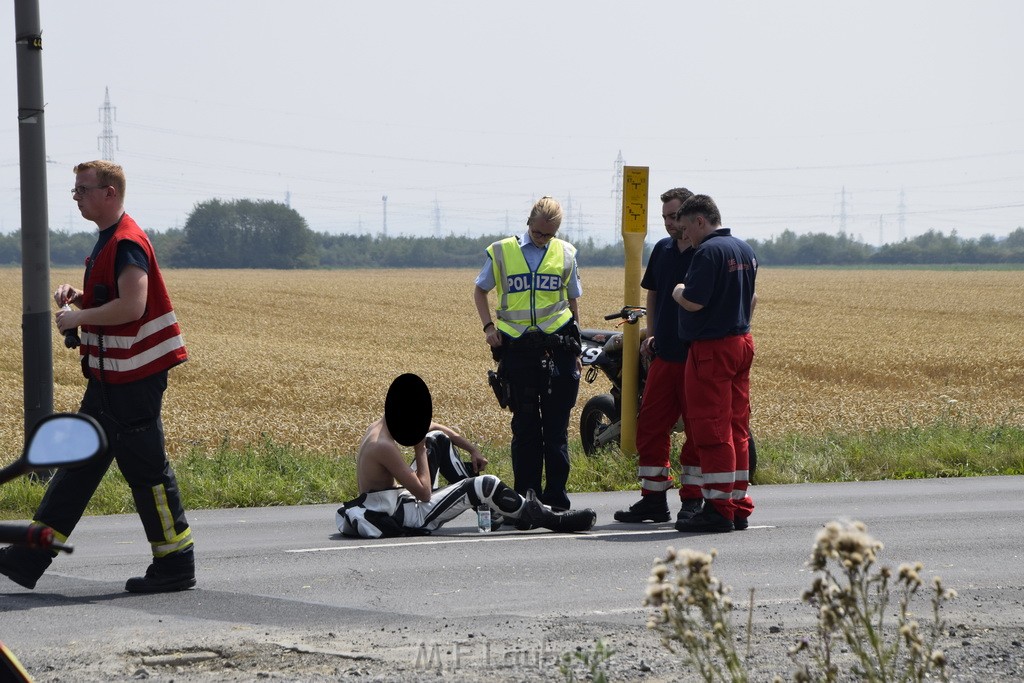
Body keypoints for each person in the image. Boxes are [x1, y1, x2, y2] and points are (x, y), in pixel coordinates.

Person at [0, 160, 195, 592]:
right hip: (112, 380)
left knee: (147, 474)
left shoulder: (127, 241)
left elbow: (132, 307)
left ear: (110, 193)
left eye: (83, 190)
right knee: (78, 466)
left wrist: (78, 317)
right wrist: (83, 298)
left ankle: (176, 564)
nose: (77, 197)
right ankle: (29, 556)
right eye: (75, 191)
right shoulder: (110, 240)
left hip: (133, 382)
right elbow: (115, 300)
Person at [336, 374, 596, 538]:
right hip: (407, 516)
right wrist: (417, 449)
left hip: (398, 501)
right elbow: (424, 493)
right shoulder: (384, 447)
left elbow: (437, 429)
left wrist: (472, 449)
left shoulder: (380, 426)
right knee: (485, 484)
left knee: (436, 440)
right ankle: (549, 517)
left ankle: (489, 510)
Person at [472, 196, 583, 511]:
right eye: (538, 233)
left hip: (558, 347)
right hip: (518, 349)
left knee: (556, 428)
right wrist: (488, 327)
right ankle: (526, 498)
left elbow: (573, 301)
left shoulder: (566, 254)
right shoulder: (503, 251)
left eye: (549, 234)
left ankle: (557, 499)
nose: (543, 239)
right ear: (529, 224)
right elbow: (480, 290)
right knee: (525, 427)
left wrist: (576, 345)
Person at [614, 187, 705, 524]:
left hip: (695, 357)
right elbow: (651, 294)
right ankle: (653, 499)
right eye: (664, 216)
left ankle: (693, 500)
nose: (668, 223)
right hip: (664, 356)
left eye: (674, 216)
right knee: (650, 427)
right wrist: (650, 334)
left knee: (696, 431)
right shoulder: (663, 249)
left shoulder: (705, 253)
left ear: (690, 215)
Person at [671, 195, 757, 533]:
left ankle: (718, 507)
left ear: (701, 221)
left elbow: (693, 300)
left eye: (686, 227)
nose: (685, 235)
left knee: (712, 427)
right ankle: (737, 504)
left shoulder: (708, 252)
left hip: (712, 348)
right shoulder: (744, 249)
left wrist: (678, 290)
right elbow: (752, 298)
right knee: (736, 427)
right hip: (740, 341)